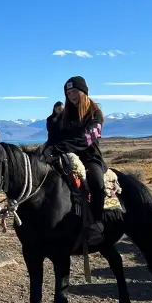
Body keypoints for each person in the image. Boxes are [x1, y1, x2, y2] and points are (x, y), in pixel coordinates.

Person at [50, 76, 106, 246]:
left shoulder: (95, 113)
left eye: (74, 91)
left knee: (96, 181)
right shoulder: (64, 115)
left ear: (83, 92)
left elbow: (87, 139)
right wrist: (52, 122)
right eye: (68, 92)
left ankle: (97, 223)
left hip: (89, 156)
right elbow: (55, 136)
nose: (71, 95)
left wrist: (60, 147)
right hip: (64, 156)